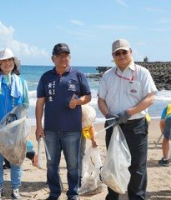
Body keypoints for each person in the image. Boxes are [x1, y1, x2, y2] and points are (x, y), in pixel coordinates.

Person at [98, 39, 157, 200]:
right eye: (118, 53)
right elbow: (101, 100)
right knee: (113, 164)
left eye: (124, 52)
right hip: (113, 126)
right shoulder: (107, 75)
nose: (121, 55)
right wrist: (108, 115)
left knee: (137, 167)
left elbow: (150, 98)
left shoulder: (142, 73)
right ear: (113, 56)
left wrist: (129, 112)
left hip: (136, 126)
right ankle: (113, 197)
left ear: (131, 52)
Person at [35, 43, 92, 200]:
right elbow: (40, 103)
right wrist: (39, 126)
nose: (63, 58)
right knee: (52, 165)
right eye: (60, 56)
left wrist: (78, 102)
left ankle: (73, 194)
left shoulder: (78, 75)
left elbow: (88, 96)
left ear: (70, 57)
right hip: (51, 130)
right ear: (53, 58)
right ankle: (54, 193)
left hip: (72, 130)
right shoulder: (46, 77)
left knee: (73, 165)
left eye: (66, 55)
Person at [0, 48, 29, 200]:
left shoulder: (21, 82)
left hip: (15, 130)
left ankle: (15, 189)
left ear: (14, 63)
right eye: (3, 60)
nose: (7, 63)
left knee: (15, 161)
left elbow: (26, 105)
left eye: (10, 60)